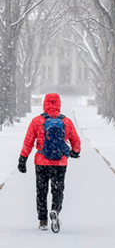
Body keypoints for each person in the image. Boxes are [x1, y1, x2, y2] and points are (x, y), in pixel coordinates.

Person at [17, 93, 81, 232]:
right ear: (59, 104)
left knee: (41, 191)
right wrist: (75, 152)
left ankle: (42, 220)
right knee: (58, 190)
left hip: (41, 162)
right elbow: (76, 140)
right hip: (59, 163)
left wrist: (23, 159)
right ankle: (55, 210)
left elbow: (28, 142)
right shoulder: (66, 122)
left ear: (45, 104)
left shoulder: (37, 121)